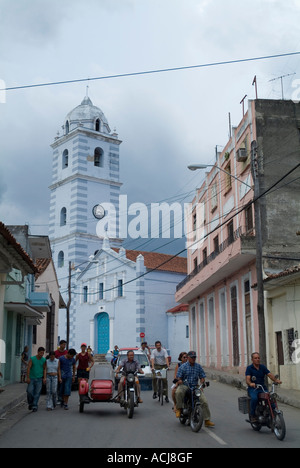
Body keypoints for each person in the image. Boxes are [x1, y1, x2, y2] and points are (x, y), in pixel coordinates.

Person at [175, 351, 215, 427]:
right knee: (178, 392)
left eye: (195, 357)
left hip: (195, 386)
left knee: (204, 401)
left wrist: (202, 383)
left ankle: (207, 420)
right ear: (188, 358)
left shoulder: (198, 366)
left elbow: (202, 377)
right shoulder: (183, 367)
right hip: (185, 385)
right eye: (192, 357)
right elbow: (178, 377)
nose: (194, 359)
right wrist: (179, 380)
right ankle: (179, 408)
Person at [246, 352, 282, 422]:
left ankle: (272, 413)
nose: (257, 359)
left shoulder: (262, 367)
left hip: (262, 387)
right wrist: (250, 384)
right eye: (255, 358)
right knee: (254, 398)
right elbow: (247, 379)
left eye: (258, 358)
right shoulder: (249, 368)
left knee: (270, 398)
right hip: (253, 389)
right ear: (252, 359)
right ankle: (252, 415)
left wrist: (276, 380)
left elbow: (269, 374)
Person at [26, 347, 46, 412]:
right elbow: (28, 368)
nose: (41, 354)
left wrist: (44, 378)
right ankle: (30, 403)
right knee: (29, 391)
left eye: (43, 353)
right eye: (40, 353)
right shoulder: (32, 359)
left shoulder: (43, 360)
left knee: (37, 393)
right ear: (38, 352)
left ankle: (34, 405)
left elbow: (44, 369)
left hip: (39, 378)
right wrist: (28, 377)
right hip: (31, 378)